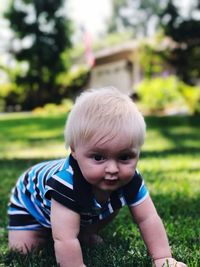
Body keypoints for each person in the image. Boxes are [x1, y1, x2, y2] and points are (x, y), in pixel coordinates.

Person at [8, 87, 187, 267]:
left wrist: (163, 258)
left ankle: (86, 231)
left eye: (124, 157)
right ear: (74, 151)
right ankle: (63, 228)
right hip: (30, 204)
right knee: (26, 250)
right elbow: (65, 239)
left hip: (85, 202)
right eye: (98, 157)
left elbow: (148, 218)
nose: (113, 169)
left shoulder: (130, 178)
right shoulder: (65, 184)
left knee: (112, 201)